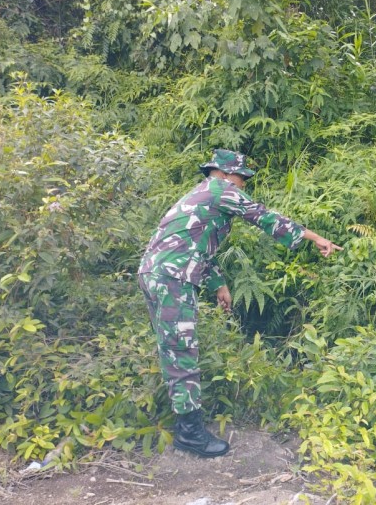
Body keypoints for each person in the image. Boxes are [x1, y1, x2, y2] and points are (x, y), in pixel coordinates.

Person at [138, 149, 342, 458]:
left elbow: (195, 246)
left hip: (158, 272)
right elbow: (263, 216)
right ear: (225, 174)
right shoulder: (220, 190)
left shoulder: (201, 196)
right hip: (171, 277)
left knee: (174, 348)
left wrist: (218, 283)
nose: (243, 184)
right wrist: (314, 238)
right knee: (181, 350)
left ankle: (186, 426)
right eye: (241, 178)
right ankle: (189, 433)